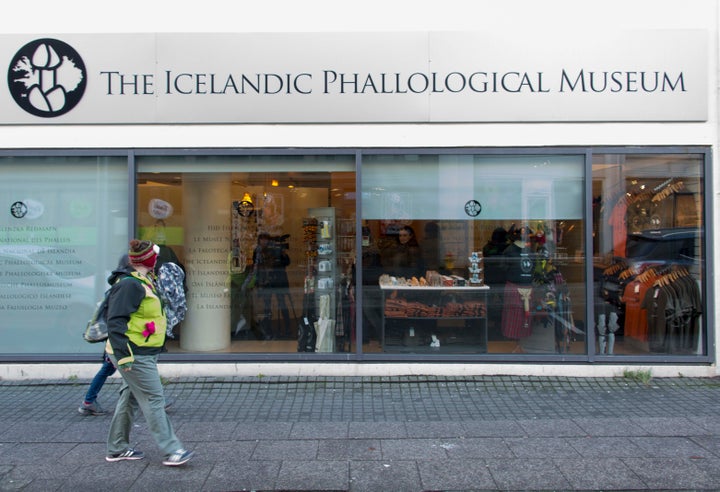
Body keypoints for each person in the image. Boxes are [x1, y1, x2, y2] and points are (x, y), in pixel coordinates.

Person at [104, 239, 193, 466]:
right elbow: (115, 321)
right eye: (156, 255)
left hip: (141, 350)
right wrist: (124, 356)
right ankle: (172, 450)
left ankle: (117, 447)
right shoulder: (130, 285)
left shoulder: (143, 281)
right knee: (154, 398)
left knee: (129, 398)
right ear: (148, 260)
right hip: (135, 353)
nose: (158, 258)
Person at [78, 254, 175, 417]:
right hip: (120, 341)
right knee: (113, 369)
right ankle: (89, 401)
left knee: (121, 371)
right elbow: (117, 318)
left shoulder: (126, 282)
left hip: (121, 340)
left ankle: (94, 402)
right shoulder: (127, 285)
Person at [252, 232, 293, 339]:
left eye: (266, 240)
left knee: (282, 303)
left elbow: (286, 262)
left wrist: (282, 254)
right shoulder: (258, 251)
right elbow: (256, 266)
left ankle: (288, 328)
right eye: (263, 239)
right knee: (267, 306)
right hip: (266, 282)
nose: (265, 242)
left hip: (279, 280)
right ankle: (268, 330)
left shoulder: (275, 250)